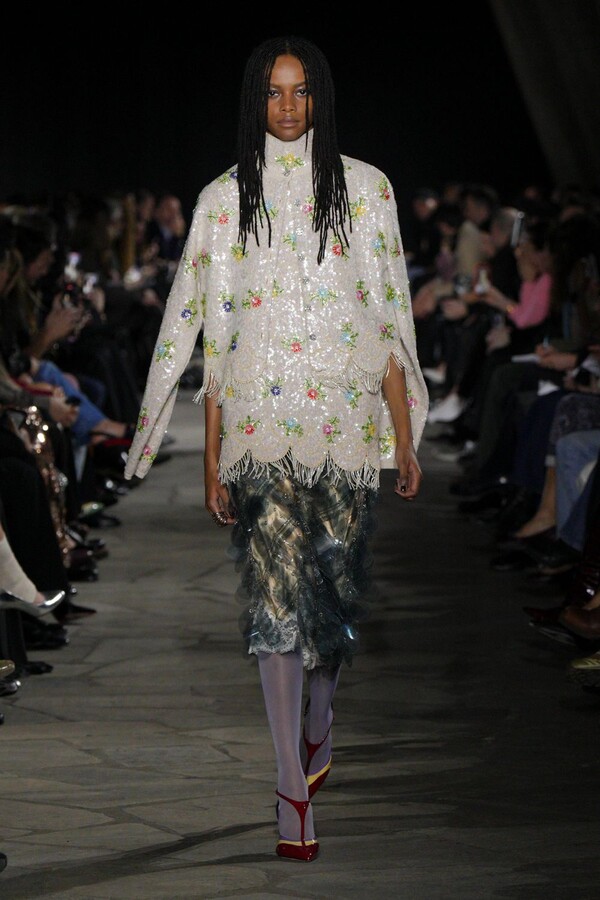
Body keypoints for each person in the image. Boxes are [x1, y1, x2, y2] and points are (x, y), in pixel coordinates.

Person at [124, 35, 428, 862]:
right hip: (259, 430)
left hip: (346, 429)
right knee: (275, 609)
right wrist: (210, 455)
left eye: (299, 91)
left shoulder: (368, 190)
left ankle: (320, 718)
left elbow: (388, 318)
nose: (287, 107)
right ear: (254, 100)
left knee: (330, 606)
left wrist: (403, 436)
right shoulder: (224, 200)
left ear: (319, 96)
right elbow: (208, 332)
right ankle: (289, 785)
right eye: (272, 92)